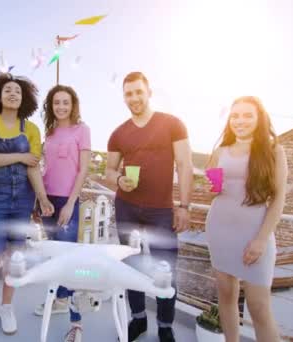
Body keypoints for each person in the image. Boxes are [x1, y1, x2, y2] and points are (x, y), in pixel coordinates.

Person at [105, 71, 193, 342]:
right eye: (129, 93)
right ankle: (139, 320)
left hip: (162, 210)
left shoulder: (173, 124)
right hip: (127, 207)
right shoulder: (118, 133)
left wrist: (184, 206)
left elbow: (185, 165)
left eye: (138, 92)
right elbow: (109, 171)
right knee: (131, 265)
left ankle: (165, 326)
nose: (134, 98)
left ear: (149, 92)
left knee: (167, 269)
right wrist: (119, 179)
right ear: (124, 97)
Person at [0, 72, 53, 335]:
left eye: (17, 90)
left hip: (23, 199)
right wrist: (19, 155)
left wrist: (42, 198)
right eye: (7, 89)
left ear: (24, 98)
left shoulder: (31, 129)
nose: (12, 93)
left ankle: (6, 306)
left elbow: (33, 167)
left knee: (15, 259)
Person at [205, 96, 287, 342]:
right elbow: (214, 187)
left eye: (247, 115)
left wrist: (261, 240)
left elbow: (279, 198)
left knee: (259, 306)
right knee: (226, 294)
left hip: (255, 234)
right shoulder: (219, 150)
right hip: (219, 229)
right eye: (235, 116)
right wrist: (212, 185)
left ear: (259, 118)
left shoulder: (274, 150)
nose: (240, 121)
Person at [32, 85, 90, 342]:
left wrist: (70, 203)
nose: (61, 107)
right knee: (55, 256)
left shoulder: (82, 130)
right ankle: (60, 301)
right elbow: (46, 169)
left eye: (66, 102)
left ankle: (76, 323)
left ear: (73, 104)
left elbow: (83, 170)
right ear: (51, 105)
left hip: (67, 201)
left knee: (69, 259)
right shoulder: (50, 132)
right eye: (57, 102)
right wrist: (39, 199)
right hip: (47, 201)